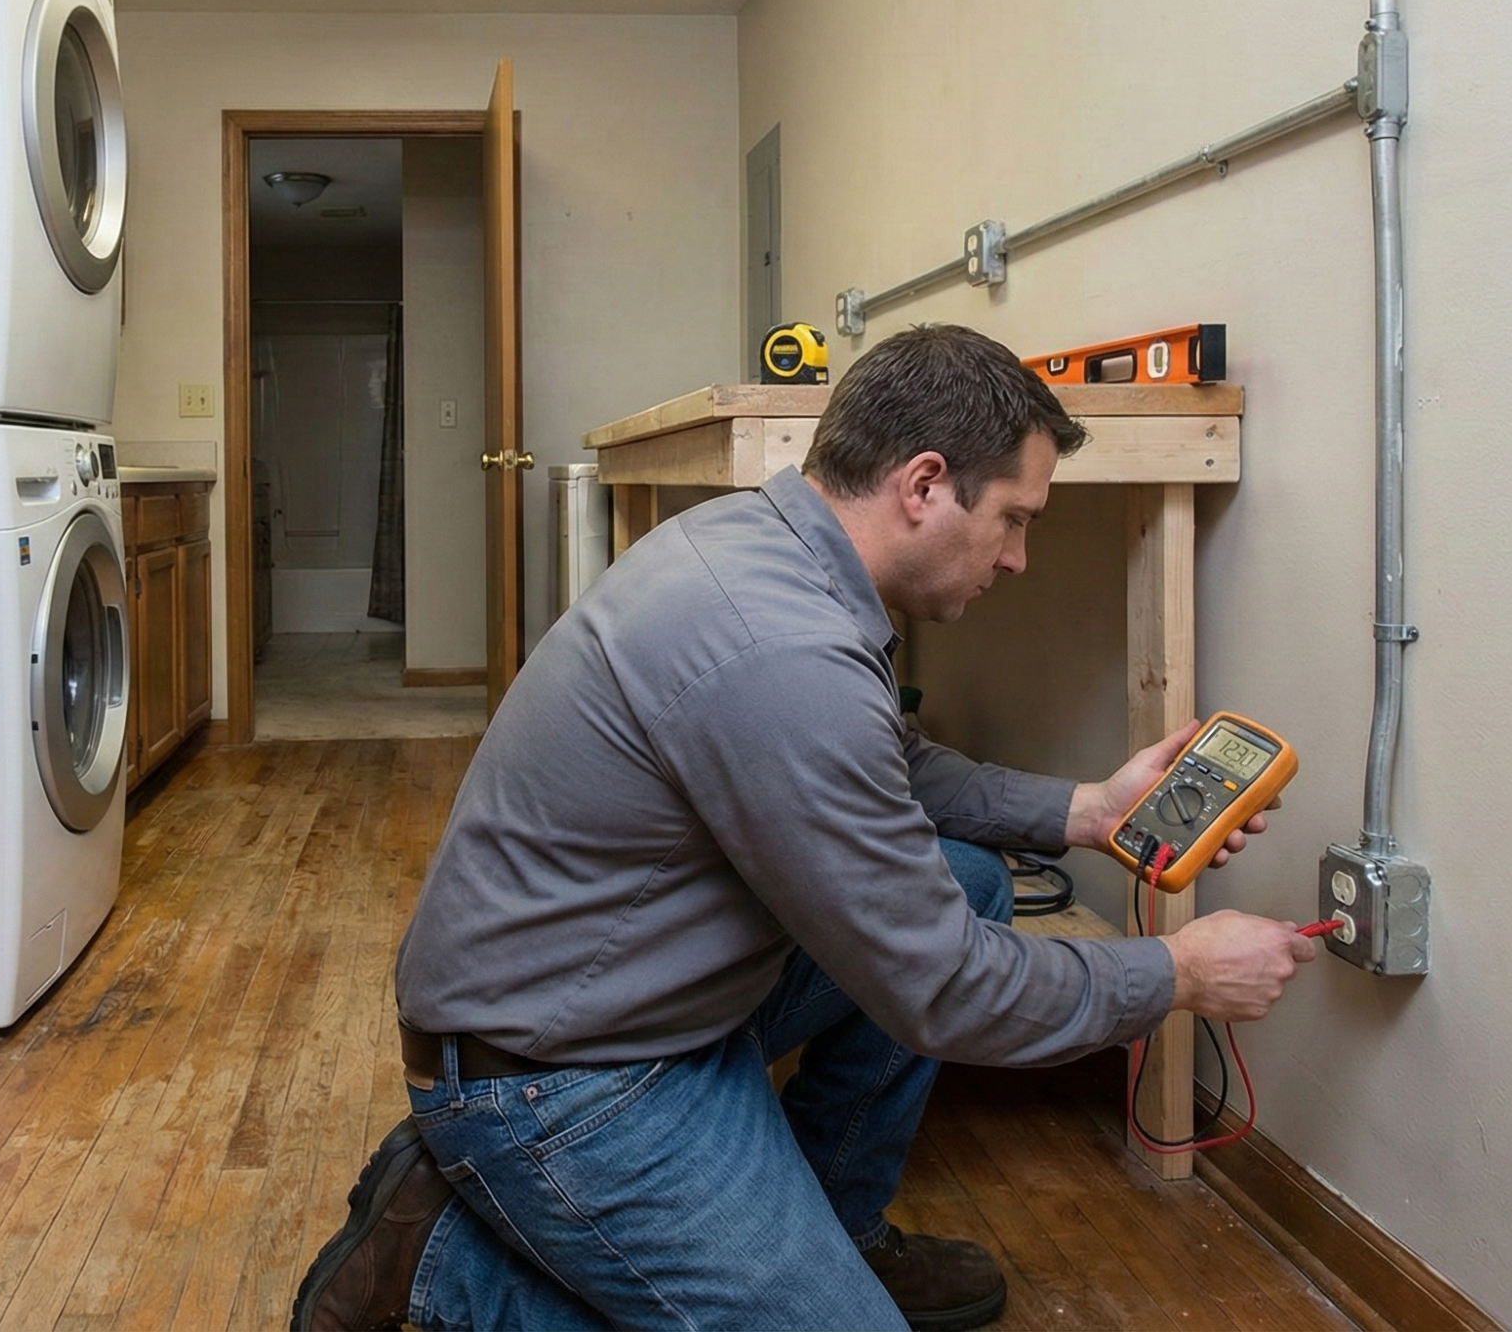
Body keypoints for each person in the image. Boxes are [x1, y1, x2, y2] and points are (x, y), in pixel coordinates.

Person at [291, 325, 1315, 1332]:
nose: (1018, 556)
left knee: (963, 880)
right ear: (921, 484)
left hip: (613, 991)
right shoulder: (781, 649)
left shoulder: (767, 543)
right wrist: (1176, 973)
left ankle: (830, 1224)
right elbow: (947, 990)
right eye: (1012, 518)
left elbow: (886, 768)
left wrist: (1082, 810)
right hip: (559, 1074)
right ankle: (444, 1263)